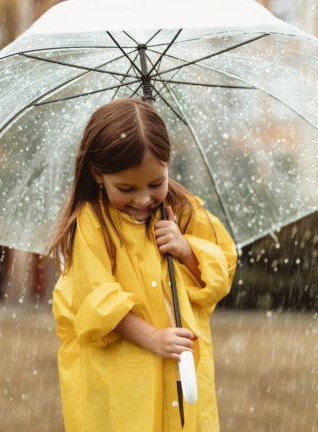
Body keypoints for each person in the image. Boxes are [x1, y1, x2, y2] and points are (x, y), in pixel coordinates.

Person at [46, 98, 237, 432]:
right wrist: (152, 337)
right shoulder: (92, 224)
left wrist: (186, 249)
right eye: (126, 187)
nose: (143, 198)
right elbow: (98, 303)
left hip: (181, 370)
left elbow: (221, 273)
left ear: (167, 165)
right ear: (97, 173)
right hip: (125, 381)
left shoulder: (184, 210)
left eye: (155, 183)